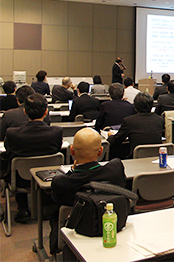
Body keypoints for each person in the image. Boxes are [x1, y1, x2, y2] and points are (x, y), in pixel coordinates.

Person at [50, 128, 126, 254]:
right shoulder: (115, 168)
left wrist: (72, 171)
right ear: (101, 151)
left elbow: (56, 199)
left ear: (72, 150)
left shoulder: (61, 182)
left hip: (77, 230)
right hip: (112, 227)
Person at [4, 93, 62, 223]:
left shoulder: (13, 134)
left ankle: (23, 209)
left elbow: (8, 151)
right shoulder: (56, 132)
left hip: (20, 180)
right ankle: (46, 207)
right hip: (48, 176)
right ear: (46, 111)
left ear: (25, 112)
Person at [108, 92, 164, 158]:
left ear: (135, 106)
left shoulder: (129, 121)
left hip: (135, 158)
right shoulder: (159, 120)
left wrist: (110, 136)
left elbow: (116, 140)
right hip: (156, 158)